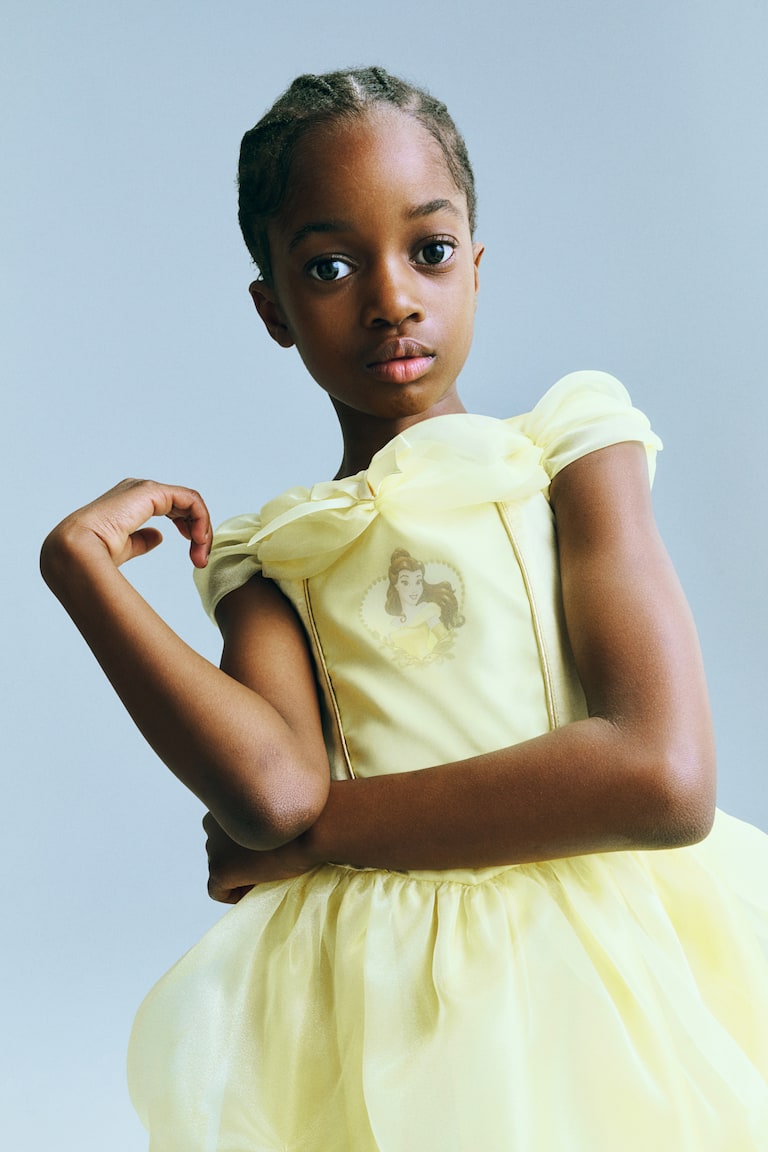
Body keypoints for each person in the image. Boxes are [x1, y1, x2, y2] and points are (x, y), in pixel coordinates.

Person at [40, 66, 768, 1151]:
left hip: (604, 973)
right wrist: (81, 573)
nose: (391, 299)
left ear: (475, 264)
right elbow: (273, 795)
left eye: (429, 249)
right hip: (387, 1004)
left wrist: (316, 847)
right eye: (329, 267)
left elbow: (662, 778)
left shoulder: (571, 453)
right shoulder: (269, 558)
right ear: (273, 309)